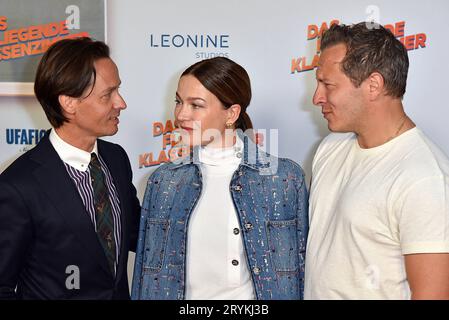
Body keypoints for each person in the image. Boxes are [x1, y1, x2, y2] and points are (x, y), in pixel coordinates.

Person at [131, 57, 308, 300]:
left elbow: (301, 272)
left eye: (196, 105)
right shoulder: (164, 182)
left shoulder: (283, 179)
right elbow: (145, 274)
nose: (181, 114)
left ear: (232, 113)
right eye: (179, 102)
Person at [305, 22, 449, 299]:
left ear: (373, 85)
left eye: (328, 84)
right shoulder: (330, 147)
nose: (316, 97)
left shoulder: (425, 178)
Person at [0, 37, 141, 299]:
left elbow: (138, 235)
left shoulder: (116, 159)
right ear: (69, 103)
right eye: (107, 94)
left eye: (117, 90)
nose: (120, 103)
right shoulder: (17, 187)